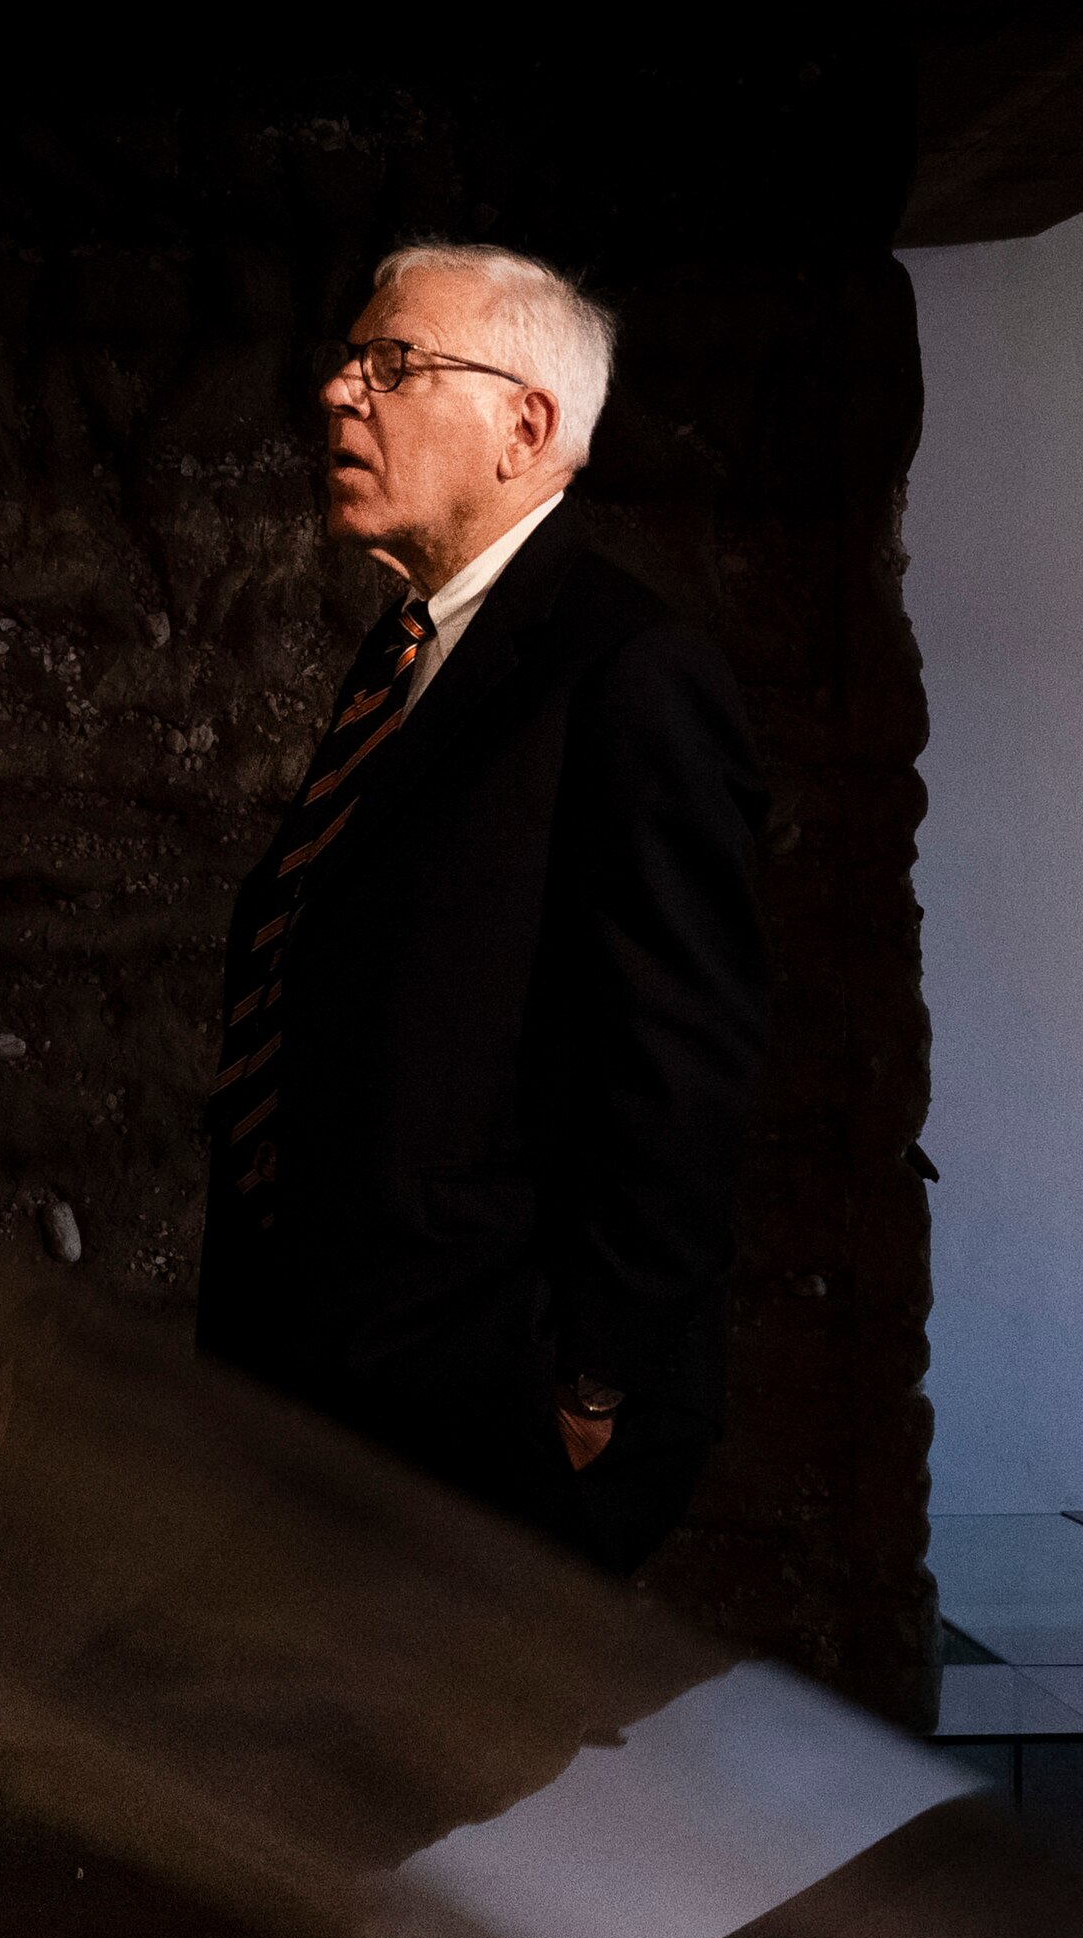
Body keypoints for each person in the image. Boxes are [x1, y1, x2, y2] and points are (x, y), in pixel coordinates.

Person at [195, 240, 768, 1576]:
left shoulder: (631, 672)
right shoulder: (407, 654)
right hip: (345, 1388)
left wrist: (590, 1385)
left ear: (527, 424)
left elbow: (684, 1064)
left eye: (393, 363)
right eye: (350, 360)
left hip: (494, 1410)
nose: (342, 391)